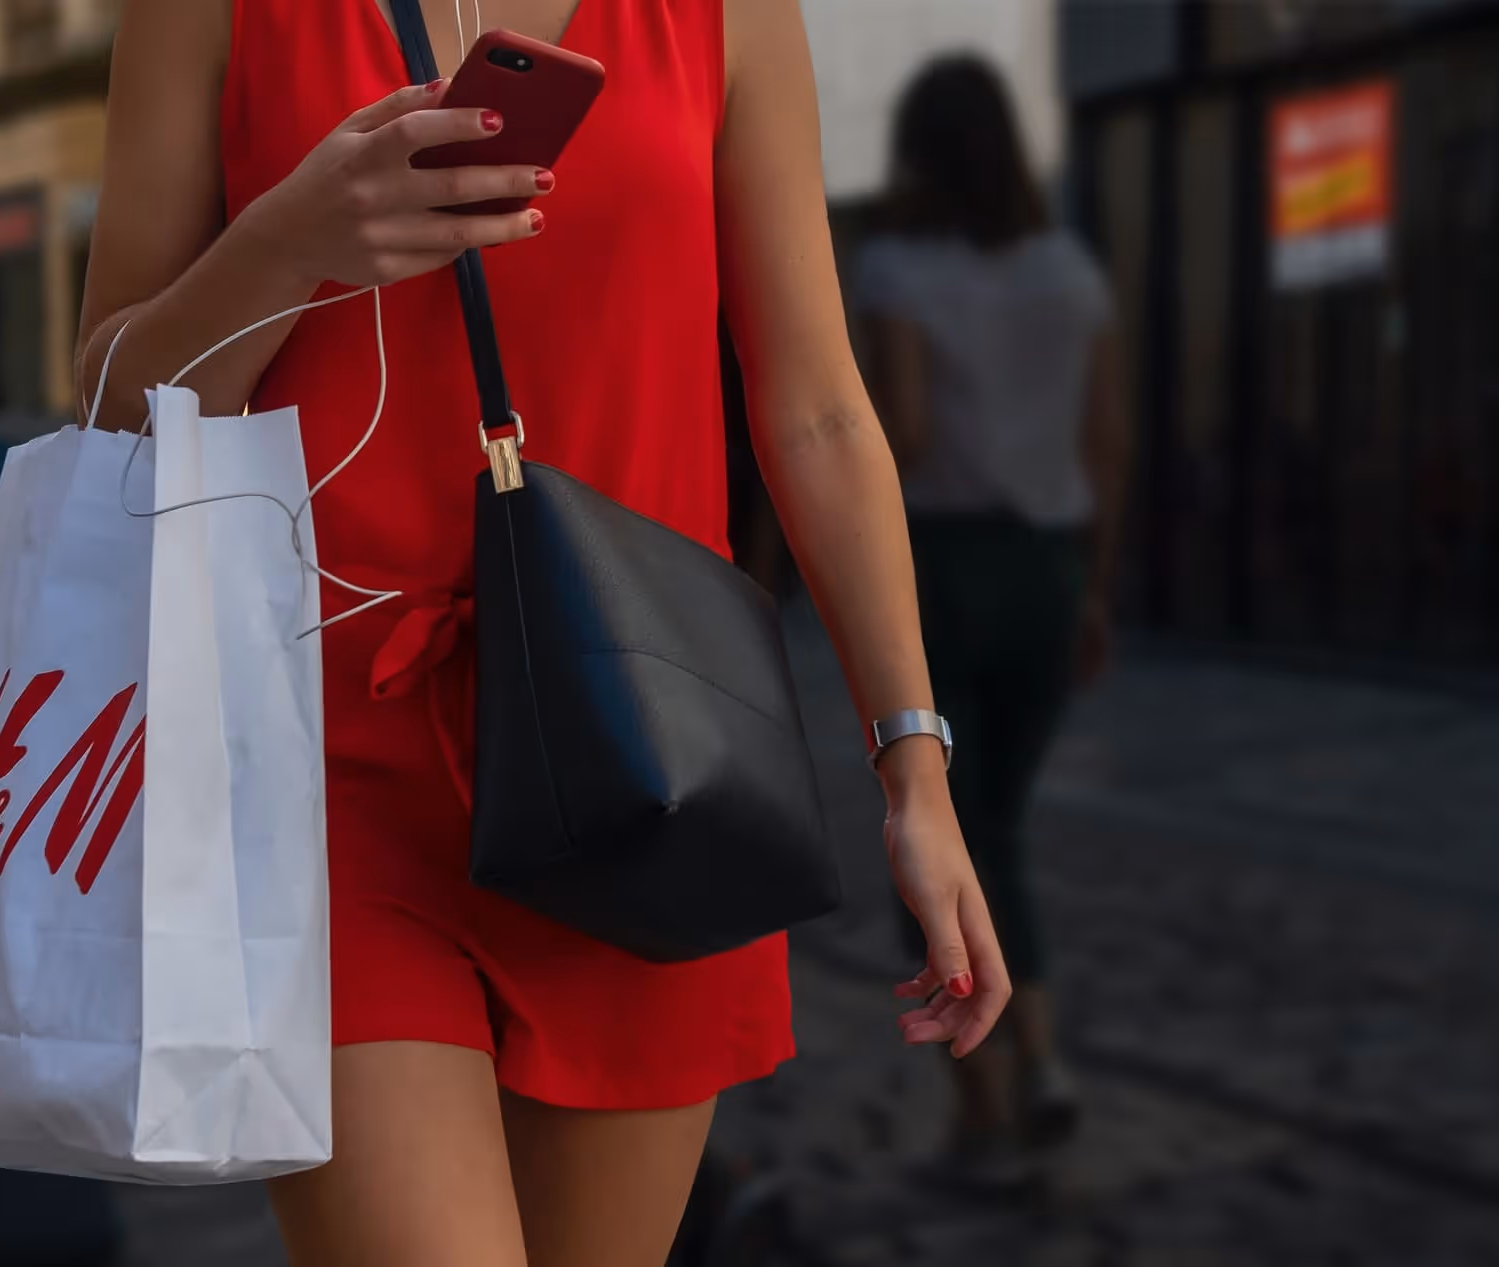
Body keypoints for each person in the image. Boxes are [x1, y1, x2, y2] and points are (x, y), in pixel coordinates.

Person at [76, 3, 1010, 1263]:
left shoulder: (729, 16)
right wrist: (286, 244)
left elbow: (817, 409)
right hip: (319, 770)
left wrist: (914, 767)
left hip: (644, 760)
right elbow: (107, 404)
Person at [853, 57, 1130, 1180]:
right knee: (1000, 826)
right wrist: (1096, 588)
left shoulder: (897, 268)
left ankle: (982, 1108)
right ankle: (1046, 1062)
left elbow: (906, 434)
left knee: (931, 841)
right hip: (1049, 567)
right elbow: (1108, 444)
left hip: (940, 569)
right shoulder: (1072, 273)